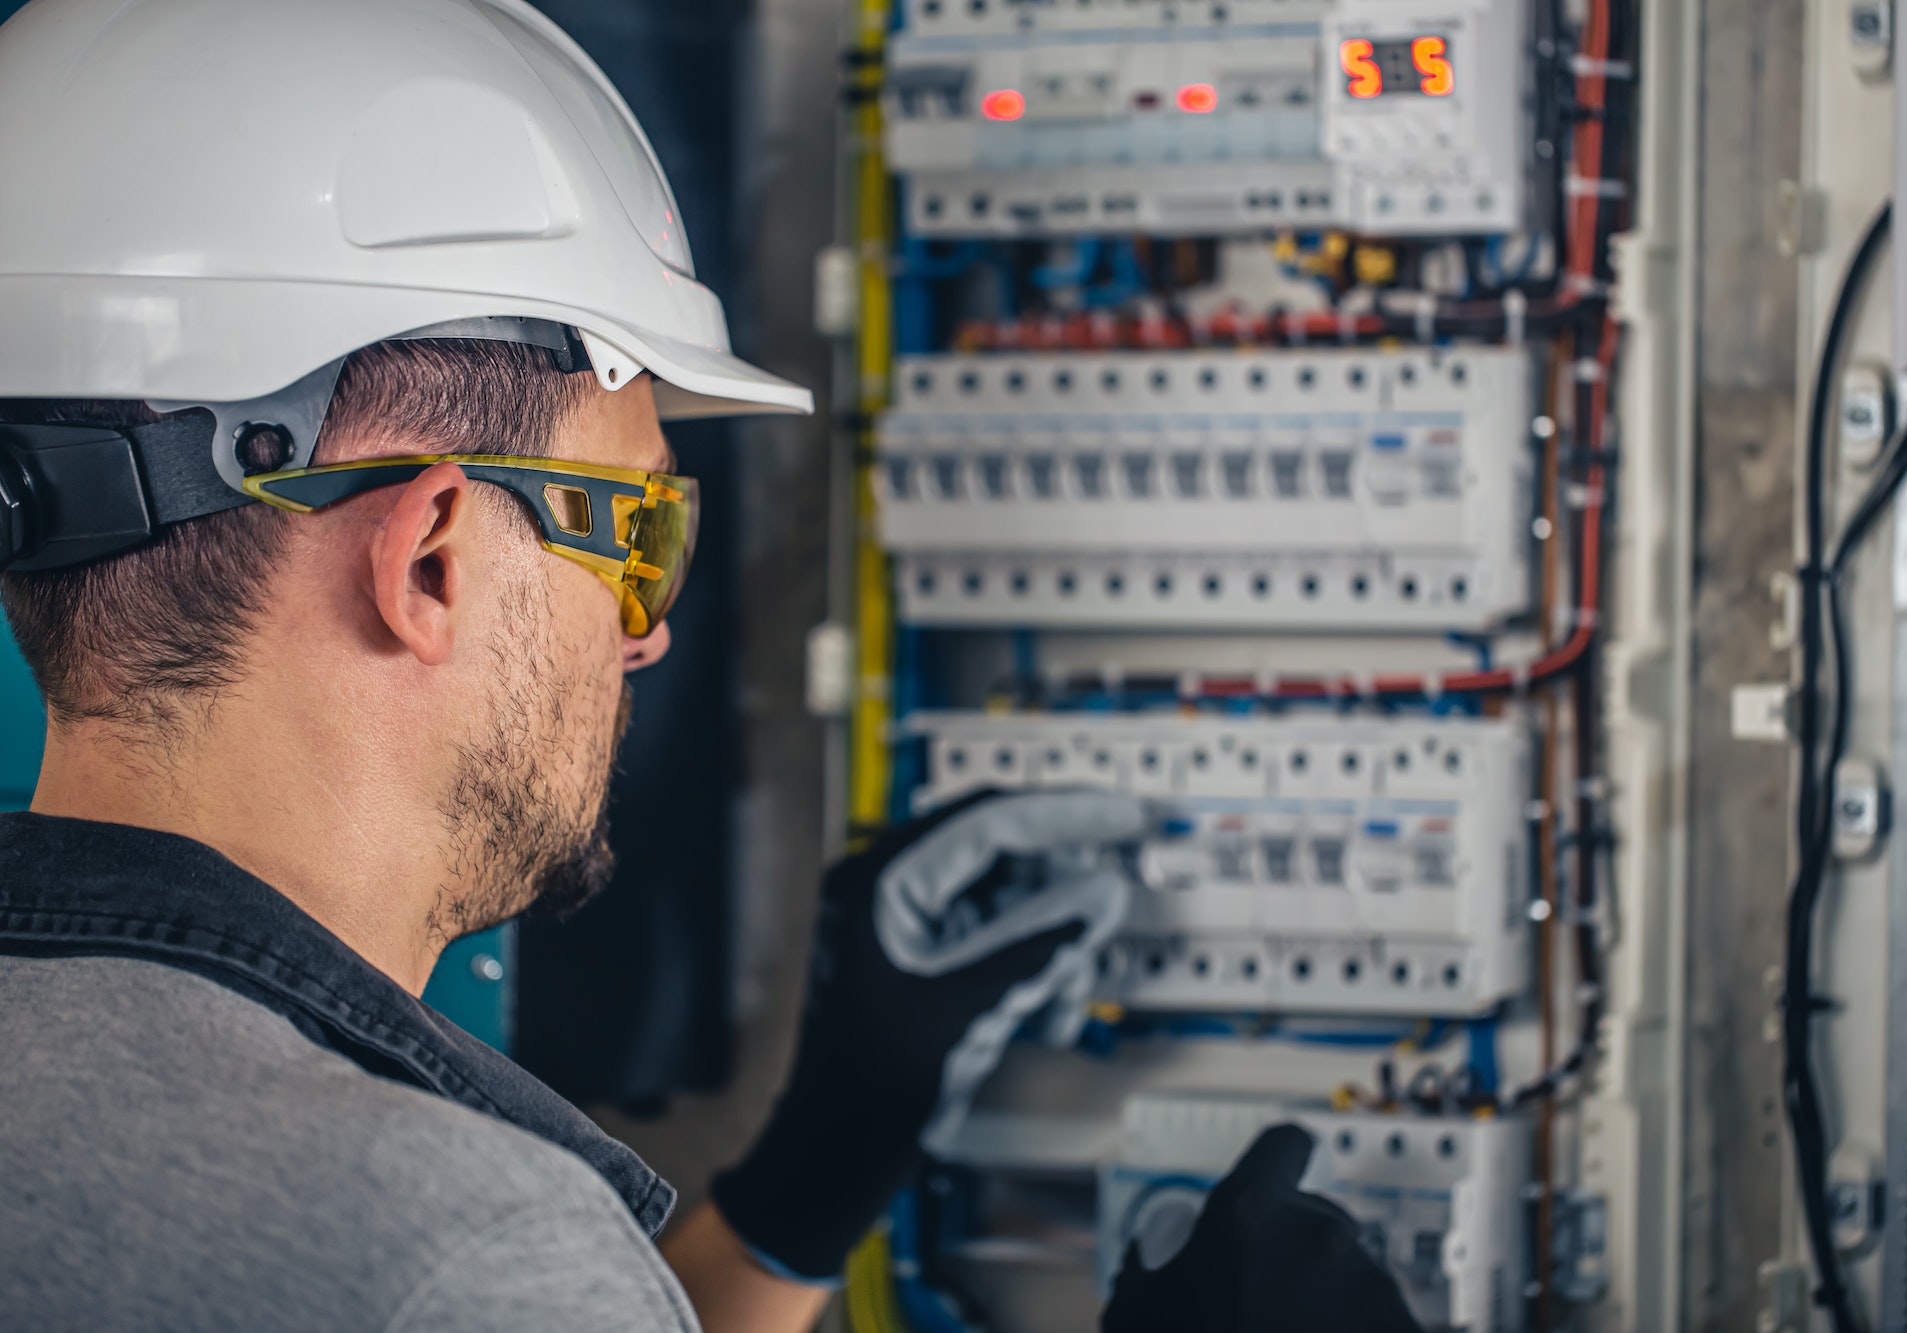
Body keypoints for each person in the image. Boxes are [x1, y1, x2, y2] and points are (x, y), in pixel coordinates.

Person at [0, 1, 1421, 1329]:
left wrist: (812, 1179)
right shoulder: (456, 1244)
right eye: (635, 531)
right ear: (430, 553)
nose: (646, 629)